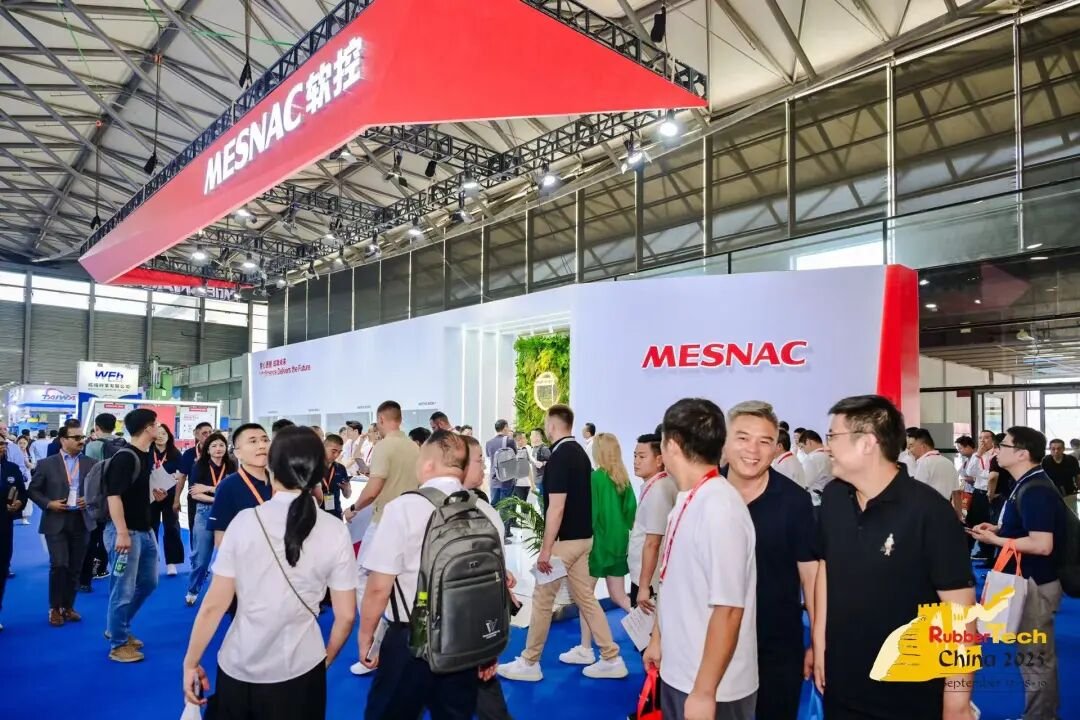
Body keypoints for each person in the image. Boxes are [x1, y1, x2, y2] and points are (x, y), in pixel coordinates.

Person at [814, 395, 975, 719]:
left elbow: (960, 613)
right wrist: (819, 643)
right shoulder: (833, 497)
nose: (827, 446)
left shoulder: (929, 512)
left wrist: (957, 701)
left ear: (867, 443)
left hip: (909, 692)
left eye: (833, 436)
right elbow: (825, 569)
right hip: (842, 683)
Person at [182, 426, 357, 719]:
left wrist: (191, 662)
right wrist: (324, 660)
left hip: (242, 663)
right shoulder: (335, 530)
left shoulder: (245, 522)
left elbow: (214, 605)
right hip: (304, 665)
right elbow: (347, 615)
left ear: (272, 469)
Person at [359, 431, 496, 718]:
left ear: (428, 464)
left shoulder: (403, 508)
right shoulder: (482, 510)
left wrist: (366, 635)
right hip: (464, 639)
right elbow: (489, 588)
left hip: (411, 639)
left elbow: (379, 587)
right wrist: (487, 649)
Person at [640, 398, 757, 720]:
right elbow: (674, 581)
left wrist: (705, 692)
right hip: (681, 670)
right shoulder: (689, 498)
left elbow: (729, 609)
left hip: (714, 686)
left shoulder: (721, 509)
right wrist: (658, 638)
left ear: (672, 445)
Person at [498, 404, 627, 682]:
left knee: (542, 600)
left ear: (552, 425)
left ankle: (530, 662)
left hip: (565, 544)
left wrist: (546, 550)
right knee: (586, 599)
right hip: (583, 540)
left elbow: (556, 508)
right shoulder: (580, 453)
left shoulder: (559, 457)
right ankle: (611, 657)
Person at [722, 401, 816, 720]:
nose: (753, 449)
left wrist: (818, 642)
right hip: (711, 644)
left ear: (776, 448)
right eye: (743, 438)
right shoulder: (704, 494)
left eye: (764, 441)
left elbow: (812, 578)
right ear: (724, 440)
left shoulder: (795, 501)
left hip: (776, 645)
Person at [971, 426, 1066, 720]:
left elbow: (1042, 544)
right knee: (1032, 656)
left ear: (1023, 454)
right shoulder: (1026, 483)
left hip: (1036, 583)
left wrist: (996, 540)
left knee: (1035, 658)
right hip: (1029, 580)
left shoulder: (1035, 488)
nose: (997, 449)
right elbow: (1029, 528)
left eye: (1004, 445)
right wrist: (1000, 529)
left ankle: (1040, 717)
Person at [344, 400, 421, 676]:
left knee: (363, 579)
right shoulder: (414, 447)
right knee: (399, 581)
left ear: (380, 419)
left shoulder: (385, 446)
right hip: (411, 522)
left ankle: (373, 647)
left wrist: (354, 508)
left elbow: (374, 487)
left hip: (383, 523)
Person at [565, 432, 637, 666]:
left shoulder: (595, 478)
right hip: (619, 543)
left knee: (585, 596)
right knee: (619, 596)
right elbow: (631, 514)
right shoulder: (623, 480)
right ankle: (650, 629)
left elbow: (591, 514)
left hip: (598, 543)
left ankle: (586, 648)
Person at [461, 434, 518, 720]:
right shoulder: (479, 511)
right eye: (479, 461)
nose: (484, 467)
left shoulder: (482, 510)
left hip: (461, 629)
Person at [104, 409, 160, 662]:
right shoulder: (125, 457)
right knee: (123, 589)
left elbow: (134, 495)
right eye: (156, 424)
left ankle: (117, 626)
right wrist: (122, 532)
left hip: (145, 530)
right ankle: (118, 643)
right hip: (125, 532)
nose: (159, 428)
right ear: (148, 428)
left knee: (148, 583)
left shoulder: (146, 455)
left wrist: (155, 496)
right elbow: (113, 496)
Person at [28, 424, 96, 627]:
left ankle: (68, 606)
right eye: (76, 437)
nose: (81, 441)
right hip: (55, 520)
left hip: (81, 520)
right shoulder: (46, 464)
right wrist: (49, 504)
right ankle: (55, 607)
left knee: (75, 566)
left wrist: (89, 499)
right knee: (59, 564)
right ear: (63, 440)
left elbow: (100, 490)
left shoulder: (91, 463)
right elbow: (33, 491)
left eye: (82, 437)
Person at [185, 432, 235, 606]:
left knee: (229, 555)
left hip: (228, 514)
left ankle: (230, 594)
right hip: (204, 512)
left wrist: (209, 488)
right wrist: (219, 496)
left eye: (221, 445)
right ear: (208, 450)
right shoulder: (199, 466)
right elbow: (194, 493)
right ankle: (193, 589)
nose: (218, 449)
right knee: (201, 557)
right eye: (214, 446)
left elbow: (233, 491)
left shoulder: (232, 465)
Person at [629, 433, 677, 613]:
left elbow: (653, 543)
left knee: (647, 628)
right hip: (644, 576)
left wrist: (644, 586)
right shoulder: (657, 484)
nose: (636, 461)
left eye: (642, 457)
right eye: (635, 456)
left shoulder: (659, 489)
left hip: (648, 580)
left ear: (659, 460)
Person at [207, 424, 272, 546]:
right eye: (253, 441)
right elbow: (220, 539)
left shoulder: (282, 482)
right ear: (237, 453)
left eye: (265, 440)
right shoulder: (228, 487)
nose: (262, 445)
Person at [80, 412, 119, 590]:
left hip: (96, 497)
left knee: (91, 535)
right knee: (109, 534)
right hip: (116, 496)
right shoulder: (123, 444)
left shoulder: (93, 445)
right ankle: (103, 567)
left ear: (96, 427)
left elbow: (90, 473)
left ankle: (86, 578)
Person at [0, 435, 28, 631]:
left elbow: (22, 492)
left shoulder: (11, 468)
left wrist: (20, 503)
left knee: (1, 569)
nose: (1, 447)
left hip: (4, 526)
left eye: (2, 443)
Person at [149, 424, 184, 576]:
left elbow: (182, 474)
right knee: (151, 528)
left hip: (170, 495)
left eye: (164, 433)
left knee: (171, 527)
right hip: (151, 495)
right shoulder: (147, 452)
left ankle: (171, 563)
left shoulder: (175, 454)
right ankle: (152, 561)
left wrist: (177, 476)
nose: (161, 436)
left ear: (169, 436)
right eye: (158, 433)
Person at [175, 422, 213, 549]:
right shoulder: (189, 454)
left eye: (210, 432)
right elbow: (182, 477)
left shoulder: (218, 452)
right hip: (195, 499)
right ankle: (196, 558)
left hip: (215, 497)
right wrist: (176, 499)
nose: (208, 435)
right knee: (195, 532)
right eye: (204, 433)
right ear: (196, 434)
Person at [966, 430, 996, 562]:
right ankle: (966, 550)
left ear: (993, 440)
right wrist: (978, 455)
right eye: (980, 438)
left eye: (986, 438)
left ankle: (987, 554)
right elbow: (970, 472)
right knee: (972, 521)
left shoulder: (997, 454)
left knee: (989, 523)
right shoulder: (976, 455)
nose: (982, 441)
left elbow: (992, 475)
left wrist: (981, 473)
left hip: (992, 494)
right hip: (978, 492)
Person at [485, 419, 517, 539]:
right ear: (505, 427)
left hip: (494, 479)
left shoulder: (489, 443)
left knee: (494, 505)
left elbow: (489, 457)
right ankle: (504, 534)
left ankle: (492, 532)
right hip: (506, 478)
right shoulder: (509, 440)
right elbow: (514, 454)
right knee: (506, 506)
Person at [911, 428, 960, 502]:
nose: (910, 450)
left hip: (927, 508)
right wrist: (958, 510)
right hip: (945, 507)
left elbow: (917, 492)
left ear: (923, 446)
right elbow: (956, 493)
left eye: (912, 446)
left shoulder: (924, 462)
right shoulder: (948, 462)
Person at [317, 433, 352, 519]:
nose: (336, 455)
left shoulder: (340, 468)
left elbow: (347, 495)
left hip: (335, 515)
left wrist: (347, 489)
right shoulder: (312, 467)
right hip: (316, 515)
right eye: (333, 451)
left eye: (339, 452)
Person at [799, 430, 832, 503]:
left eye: (802, 447)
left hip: (814, 501)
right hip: (828, 498)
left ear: (808, 442)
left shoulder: (811, 459)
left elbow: (802, 484)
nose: (803, 450)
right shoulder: (829, 455)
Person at [529, 428, 552, 500]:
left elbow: (552, 462)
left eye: (532, 435)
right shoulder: (533, 448)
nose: (530, 437)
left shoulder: (544, 449)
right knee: (539, 502)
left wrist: (542, 463)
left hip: (543, 480)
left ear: (539, 436)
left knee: (542, 502)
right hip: (536, 480)